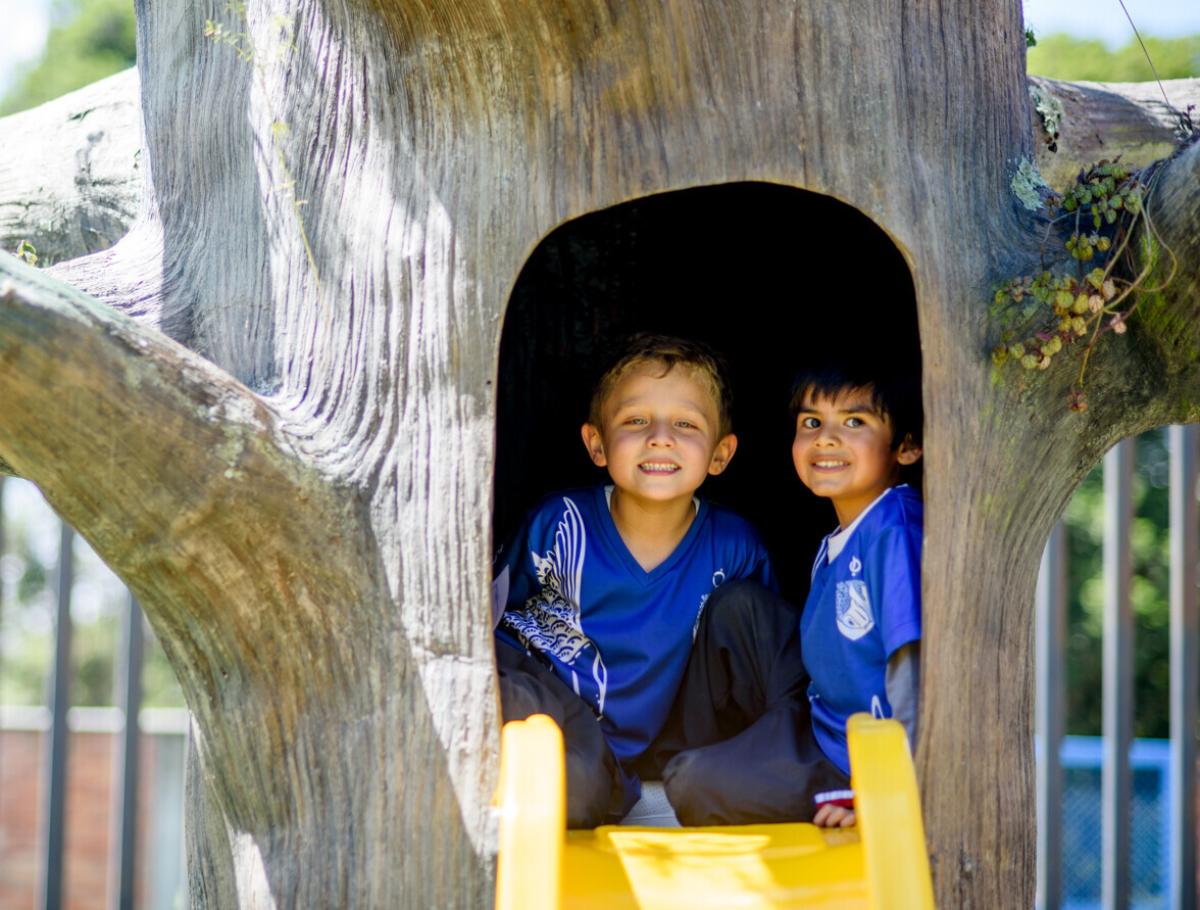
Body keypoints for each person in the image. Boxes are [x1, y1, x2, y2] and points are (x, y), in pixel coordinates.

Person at [493, 334, 774, 827]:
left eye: (685, 423)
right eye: (636, 420)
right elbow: (489, 630)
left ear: (721, 455)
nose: (660, 436)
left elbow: (757, 670)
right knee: (567, 787)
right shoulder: (558, 524)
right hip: (551, 708)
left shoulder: (735, 548)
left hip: (663, 751)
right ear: (596, 444)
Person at [652, 357, 923, 828]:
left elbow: (915, 674)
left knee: (694, 783)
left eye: (855, 421)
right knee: (739, 607)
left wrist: (883, 790)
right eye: (812, 422)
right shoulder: (854, 526)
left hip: (849, 759)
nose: (827, 439)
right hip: (816, 708)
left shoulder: (894, 533)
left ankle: (700, 773)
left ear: (906, 446)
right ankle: (707, 754)